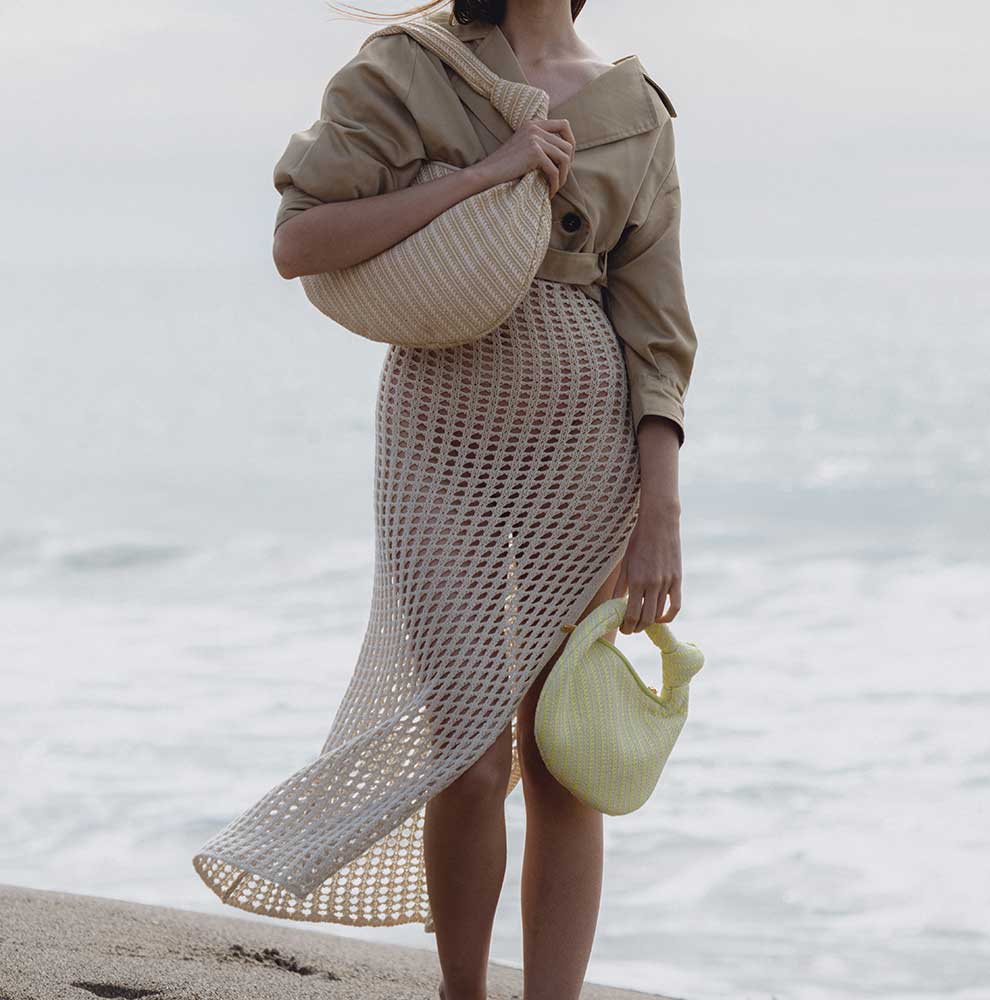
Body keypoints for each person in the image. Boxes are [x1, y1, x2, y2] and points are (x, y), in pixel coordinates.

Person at [193, 2, 698, 998]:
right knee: (466, 746)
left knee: (563, 750)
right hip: (440, 441)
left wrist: (661, 510)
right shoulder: (407, 66)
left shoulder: (635, 106)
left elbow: (656, 323)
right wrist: (486, 173)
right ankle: (460, 990)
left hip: (585, 457)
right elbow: (301, 241)